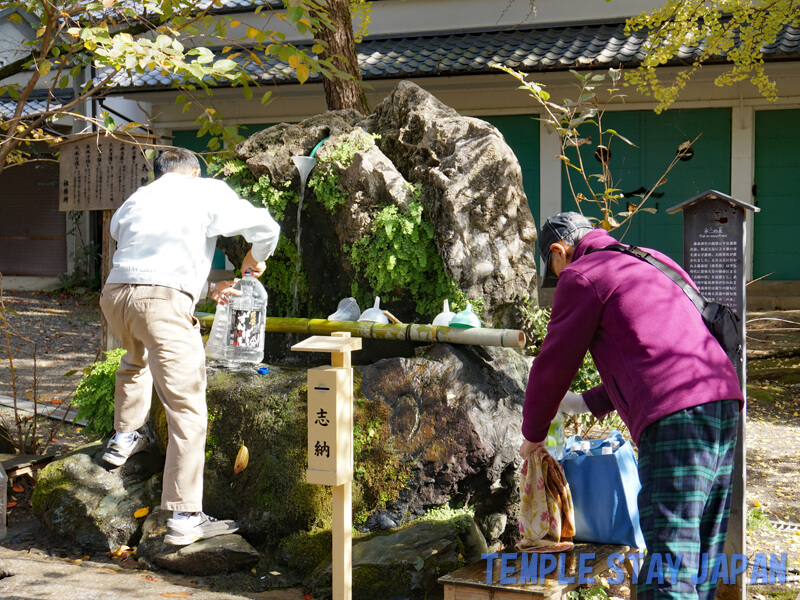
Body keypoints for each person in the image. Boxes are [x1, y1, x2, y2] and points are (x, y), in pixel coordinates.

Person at [521, 212, 743, 600]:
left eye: (553, 270)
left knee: (668, 562)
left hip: (676, 419)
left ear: (559, 251)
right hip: (721, 399)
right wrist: (579, 403)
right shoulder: (651, 260)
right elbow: (649, 358)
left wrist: (532, 436)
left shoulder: (583, 274)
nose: (557, 280)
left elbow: (552, 365)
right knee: (703, 553)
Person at [99, 147, 280, 546]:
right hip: (160, 303)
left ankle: (124, 438)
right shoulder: (205, 191)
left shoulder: (137, 199)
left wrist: (207, 288)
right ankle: (184, 515)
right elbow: (266, 227)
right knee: (188, 409)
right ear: (194, 172)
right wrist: (253, 257)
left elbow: (145, 254)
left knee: (136, 358)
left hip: (116, 295)